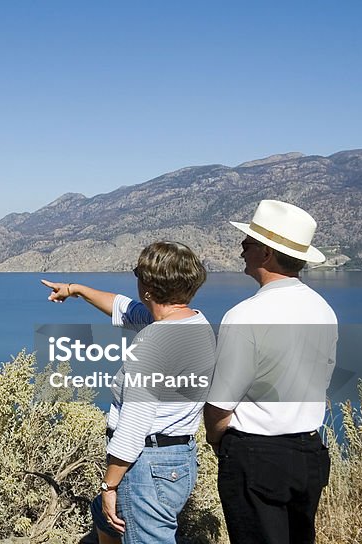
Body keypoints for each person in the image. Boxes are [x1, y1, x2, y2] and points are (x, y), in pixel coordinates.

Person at [42, 241, 215, 544]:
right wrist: (76, 289)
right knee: (104, 517)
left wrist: (109, 486)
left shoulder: (153, 342)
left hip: (146, 465)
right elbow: (123, 307)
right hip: (178, 459)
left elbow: (135, 425)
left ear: (148, 287)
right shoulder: (195, 323)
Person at [204, 200, 338, 544]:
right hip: (310, 454)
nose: (240, 250)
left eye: (247, 244)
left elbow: (221, 402)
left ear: (265, 253)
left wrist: (219, 441)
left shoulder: (246, 315)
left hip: (256, 458)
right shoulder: (323, 310)